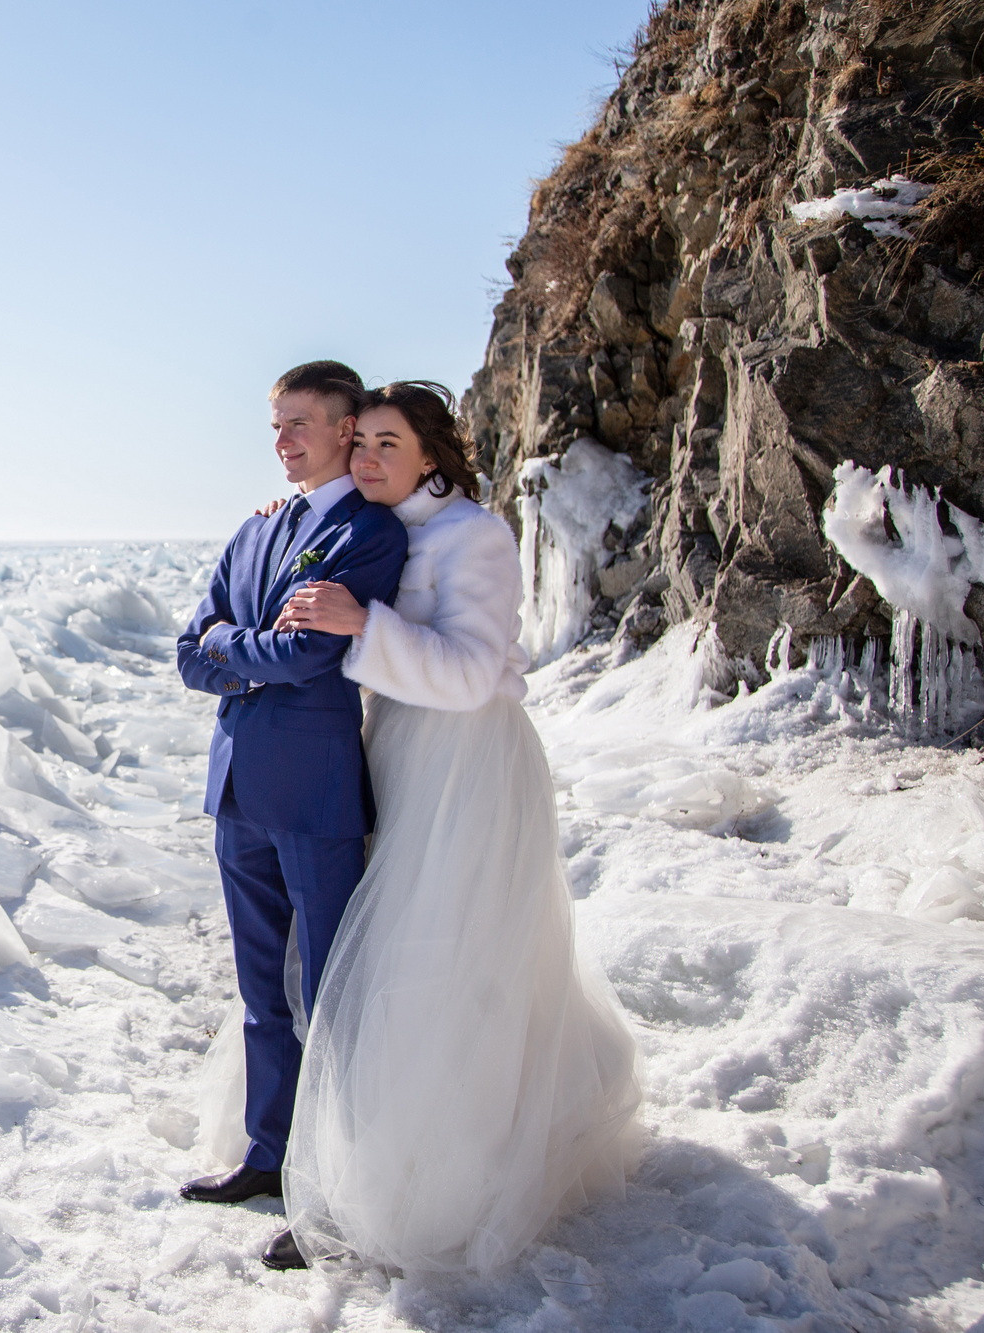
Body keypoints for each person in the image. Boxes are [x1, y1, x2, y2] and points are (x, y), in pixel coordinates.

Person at [263, 381, 641, 1273]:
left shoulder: (476, 535)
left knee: (435, 966)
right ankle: (360, 1162)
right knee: (386, 960)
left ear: (432, 454)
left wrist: (366, 624)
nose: (367, 462)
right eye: (361, 446)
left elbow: (475, 674)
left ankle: (421, 1189)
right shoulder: (383, 523)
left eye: (389, 445)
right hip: (401, 754)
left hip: (466, 766)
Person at [173, 361, 409, 1215]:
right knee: (262, 991)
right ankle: (269, 1155)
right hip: (237, 790)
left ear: (347, 428)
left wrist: (230, 652)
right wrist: (242, 648)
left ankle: (336, 1185)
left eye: (299, 423)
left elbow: (311, 654)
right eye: (276, 425)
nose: (283, 441)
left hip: (314, 794)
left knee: (332, 995)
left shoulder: (371, 534)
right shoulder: (253, 529)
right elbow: (188, 651)